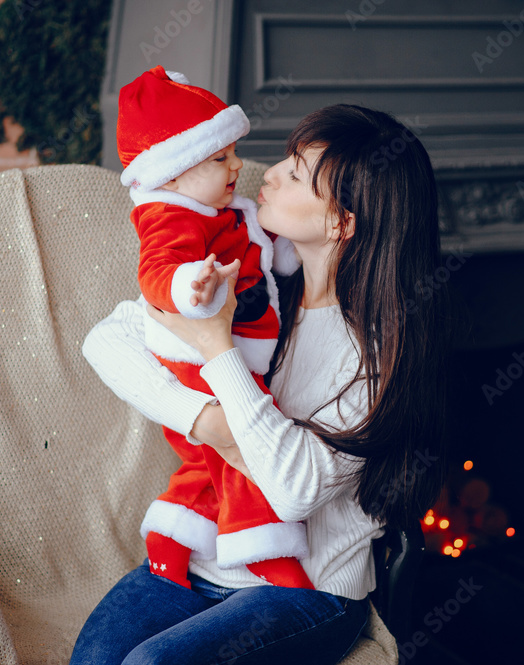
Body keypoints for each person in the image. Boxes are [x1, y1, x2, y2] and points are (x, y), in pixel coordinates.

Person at [72, 103, 448, 665]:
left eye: (296, 173)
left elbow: (291, 491)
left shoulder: (377, 353)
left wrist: (215, 346)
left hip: (309, 591)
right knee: (95, 656)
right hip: (207, 557)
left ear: (343, 222)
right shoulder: (259, 278)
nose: (266, 173)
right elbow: (106, 339)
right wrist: (210, 424)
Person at [116, 65, 310, 591]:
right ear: (174, 172)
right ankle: (265, 546)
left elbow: (264, 255)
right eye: (220, 158)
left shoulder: (223, 210)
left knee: (203, 462)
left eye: (232, 153)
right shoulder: (168, 214)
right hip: (197, 356)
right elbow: (157, 272)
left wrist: (294, 250)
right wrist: (189, 286)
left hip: (231, 346)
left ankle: (172, 537)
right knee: (240, 454)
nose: (237, 166)